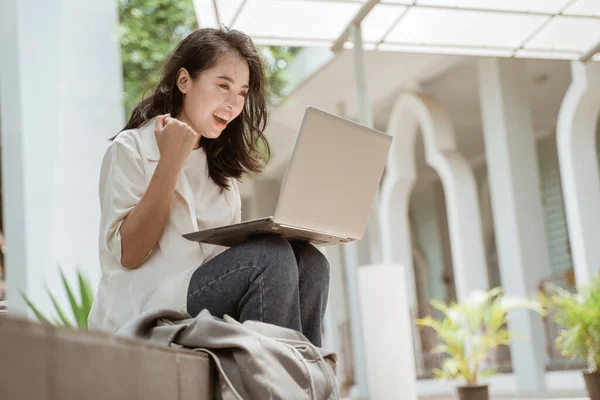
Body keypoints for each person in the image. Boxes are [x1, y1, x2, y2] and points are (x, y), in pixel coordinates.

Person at [88, 28, 330, 347]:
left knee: (310, 261)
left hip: (203, 300)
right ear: (185, 81)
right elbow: (129, 254)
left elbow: (227, 265)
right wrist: (171, 159)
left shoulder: (221, 172)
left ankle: (302, 383)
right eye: (223, 86)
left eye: (242, 93)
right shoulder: (130, 149)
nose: (233, 103)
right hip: (146, 308)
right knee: (270, 257)